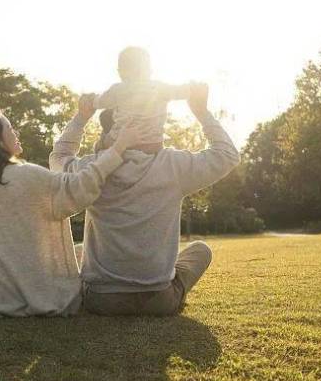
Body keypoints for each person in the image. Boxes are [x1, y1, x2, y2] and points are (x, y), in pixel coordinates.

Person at [50, 83, 240, 316]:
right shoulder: (173, 166)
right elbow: (227, 154)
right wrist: (201, 111)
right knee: (201, 250)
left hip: (101, 300)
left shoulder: (94, 168)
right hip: (159, 300)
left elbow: (58, 158)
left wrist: (81, 118)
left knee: (80, 251)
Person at [0, 109, 143, 318]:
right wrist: (119, 147)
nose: (15, 133)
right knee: (92, 256)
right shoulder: (26, 176)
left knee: (81, 251)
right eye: (9, 128)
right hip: (24, 295)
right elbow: (79, 187)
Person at [91, 46, 194, 154]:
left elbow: (99, 102)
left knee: (105, 119)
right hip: (153, 145)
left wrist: (91, 99)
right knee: (108, 115)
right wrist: (193, 87)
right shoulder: (159, 88)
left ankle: (101, 146)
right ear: (148, 70)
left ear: (121, 72)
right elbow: (181, 91)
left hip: (123, 143)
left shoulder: (118, 89)